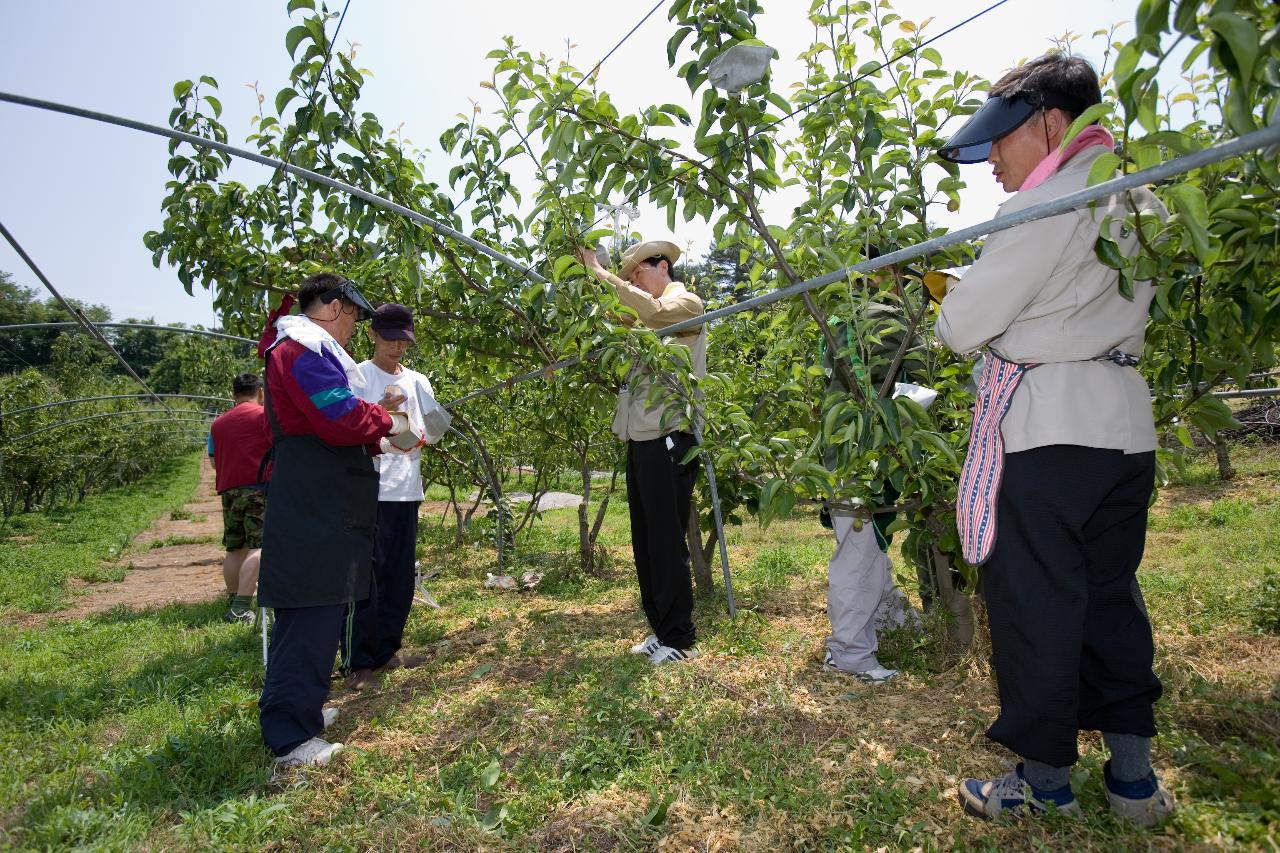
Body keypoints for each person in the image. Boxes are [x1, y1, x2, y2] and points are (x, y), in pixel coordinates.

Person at [935, 53, 1173, 825]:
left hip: (1048, 434)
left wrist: (962, 290)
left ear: (1051, 124)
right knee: (1111, 595)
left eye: (1004, 141)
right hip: (1124, 428)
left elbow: (959, 326)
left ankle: (1043, 780)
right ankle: (1133, 780)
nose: (994, 161)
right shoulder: (1141, 201)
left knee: (1037, 603)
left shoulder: (1045, 208)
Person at [256, 272, 411, 771]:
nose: (353, 329)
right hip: (312, 500)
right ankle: (289, 736)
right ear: (334, 308)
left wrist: (371, 426)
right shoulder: (301, 351)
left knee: (319, 609)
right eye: (353, 318)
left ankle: (304, 708)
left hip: (321, 496)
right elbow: (337, 416)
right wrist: (383, 421)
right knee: (308, 608)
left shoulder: (304, 349)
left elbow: (334, 419)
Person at [578, 240, 707, 665]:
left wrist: (599, 270)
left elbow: (653, 314)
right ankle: (660, 627)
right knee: (646, 539)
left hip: (670, 435)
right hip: (642, 438)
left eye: (638, 273)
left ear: (662, 267)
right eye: (629, 276)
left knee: (667, 541)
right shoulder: (642, 320)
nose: (634, 280)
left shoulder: (684, 303)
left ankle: (680, 637)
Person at [344, 303, 450, 690]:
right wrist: (378, 417)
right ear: (372, 334)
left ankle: (388, 649)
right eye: (389, 339)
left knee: (399, 575)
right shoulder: (357, 376)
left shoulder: (418, 381)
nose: (396, 348)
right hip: (369, 490)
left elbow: (436, 428)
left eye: (403, 341)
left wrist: (429, 429)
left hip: (406, 490)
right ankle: (360, 662)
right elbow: (346, 425)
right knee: (367, 578)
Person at [819, 303, 925, 684]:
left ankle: (887, 617)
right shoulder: (883, 319)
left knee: (869, 549)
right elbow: (893, 384)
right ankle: (849, 654)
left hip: (851, 451)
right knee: (859, 553)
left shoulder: (845, 317)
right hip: (864, 455)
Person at [208, 372, 273, 625]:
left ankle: (233, 598)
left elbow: (214, 461)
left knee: (235, 547)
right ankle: (241, 607)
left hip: (229, 491)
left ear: (233, 396)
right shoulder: (264, 417)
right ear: (260, 393)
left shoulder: (218, 424)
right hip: (259, 488)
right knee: (261, 546)